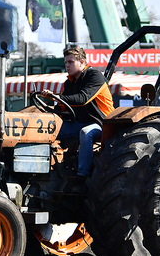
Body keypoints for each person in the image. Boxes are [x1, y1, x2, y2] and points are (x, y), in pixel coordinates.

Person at [40, 46, 114, 192]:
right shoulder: (69, 83)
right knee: (46, 131)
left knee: (86, 133)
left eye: (70, 62)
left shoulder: (94, 76)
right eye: (65, 62)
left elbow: (83, 99)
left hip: (100, 123)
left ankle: (82, 177)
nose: (67, 66)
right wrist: (49, 116)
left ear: (81, 62)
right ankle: (45, 169)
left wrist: (56, 97)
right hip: (78, 122)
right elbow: (63, 108)